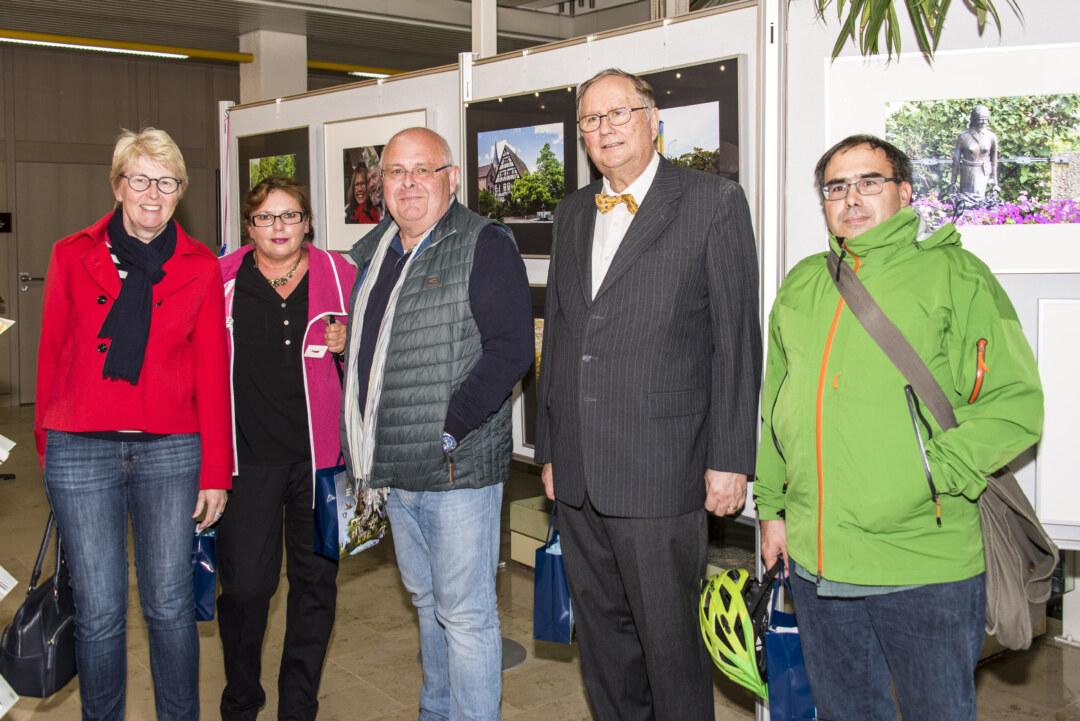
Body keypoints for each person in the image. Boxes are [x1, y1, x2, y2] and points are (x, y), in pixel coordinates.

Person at [754, 134, 1043, 721]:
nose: (851, 198)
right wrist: (772, 508)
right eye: (836, 187)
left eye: (869, 182)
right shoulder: (803, 284)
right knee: (844, 712)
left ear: (904, 192)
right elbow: (775, 406)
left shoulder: (955, 276)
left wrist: (934, 473)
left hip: (921, 562)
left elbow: (1015, 405)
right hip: (816, 563)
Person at [535, 68, 761, 721]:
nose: (605, 128)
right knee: (603, 646)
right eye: (591, 119)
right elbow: (562, 336)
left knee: (670, 648)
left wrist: (731, 459)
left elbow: (735, 340)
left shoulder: (712, 202)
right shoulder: (573, 212)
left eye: (619, 113)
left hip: (662, 469)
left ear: (653, 120)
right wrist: (551, 450)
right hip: (579, 474)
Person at [34, 127, 231, 721]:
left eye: (167, 182)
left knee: (170, 606)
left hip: (170, 450)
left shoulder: (200, 266)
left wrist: (216, 471)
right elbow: (51, 355)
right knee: (98, 612)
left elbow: (212, 372)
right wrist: (49, 450)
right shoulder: (71, 254)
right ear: (118, 185)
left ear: (180, 192)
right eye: (140, 179)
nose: (152, 194)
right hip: (81, 448)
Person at [340, 127, 533, 721]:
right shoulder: (375, 252)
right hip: (396, 471)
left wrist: (451, 427)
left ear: (450, 178)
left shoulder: (484, 244)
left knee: (466, 615)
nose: (408, 184)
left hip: (456, 472)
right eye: (395, 172)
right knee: (427, 604)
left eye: (422, 170)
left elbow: (511, 350)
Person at [217, 177, 355, 721]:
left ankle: (298, 705)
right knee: (246, 588)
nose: (279, 227)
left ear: (308, 223)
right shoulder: (220, 281)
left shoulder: (340, 277)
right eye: (266, 218)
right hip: (246, 460)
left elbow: (375, 356)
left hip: (321, 463)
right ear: (249, 227)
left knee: (316, 585)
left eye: (290, 216)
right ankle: (241, 697)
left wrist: (349, 343)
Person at [950, 105, 999, 202]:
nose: (983, 122)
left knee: (980, 199)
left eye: (985, 119)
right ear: (974, 119)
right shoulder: (964, 137)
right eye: (980, 119)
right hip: (967, 172)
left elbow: (994, 160)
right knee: (966, 200)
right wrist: (953, 181)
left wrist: (995, 182)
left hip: (983, 171)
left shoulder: (991, 137)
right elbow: (956, 160)